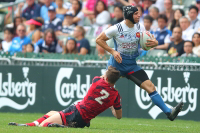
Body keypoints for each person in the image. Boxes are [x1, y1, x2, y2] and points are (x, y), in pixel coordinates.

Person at [96, 5, 183, 121]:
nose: (139, 15)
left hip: (131, 65)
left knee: (151, 87)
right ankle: (84, 112)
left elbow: (147, 44)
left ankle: (169, 112)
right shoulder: (116, 28)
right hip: (116, 65)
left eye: (139, 13)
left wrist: (155, 43)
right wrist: (112, 51)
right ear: (129, 15)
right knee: (100, 88)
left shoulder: (140, 26)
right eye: (136, 13)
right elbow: (98, 40)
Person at [8, 66, 122, 128]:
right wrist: (112, 107)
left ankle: (61, 127)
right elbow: (118, 116)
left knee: (44, 125)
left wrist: (109, 70)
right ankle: (27, 125)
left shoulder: (97, 81)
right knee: (51, 113)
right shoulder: (115, 96)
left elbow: (103, 77)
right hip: (84, 121)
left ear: (106, 78)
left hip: (76, 112)